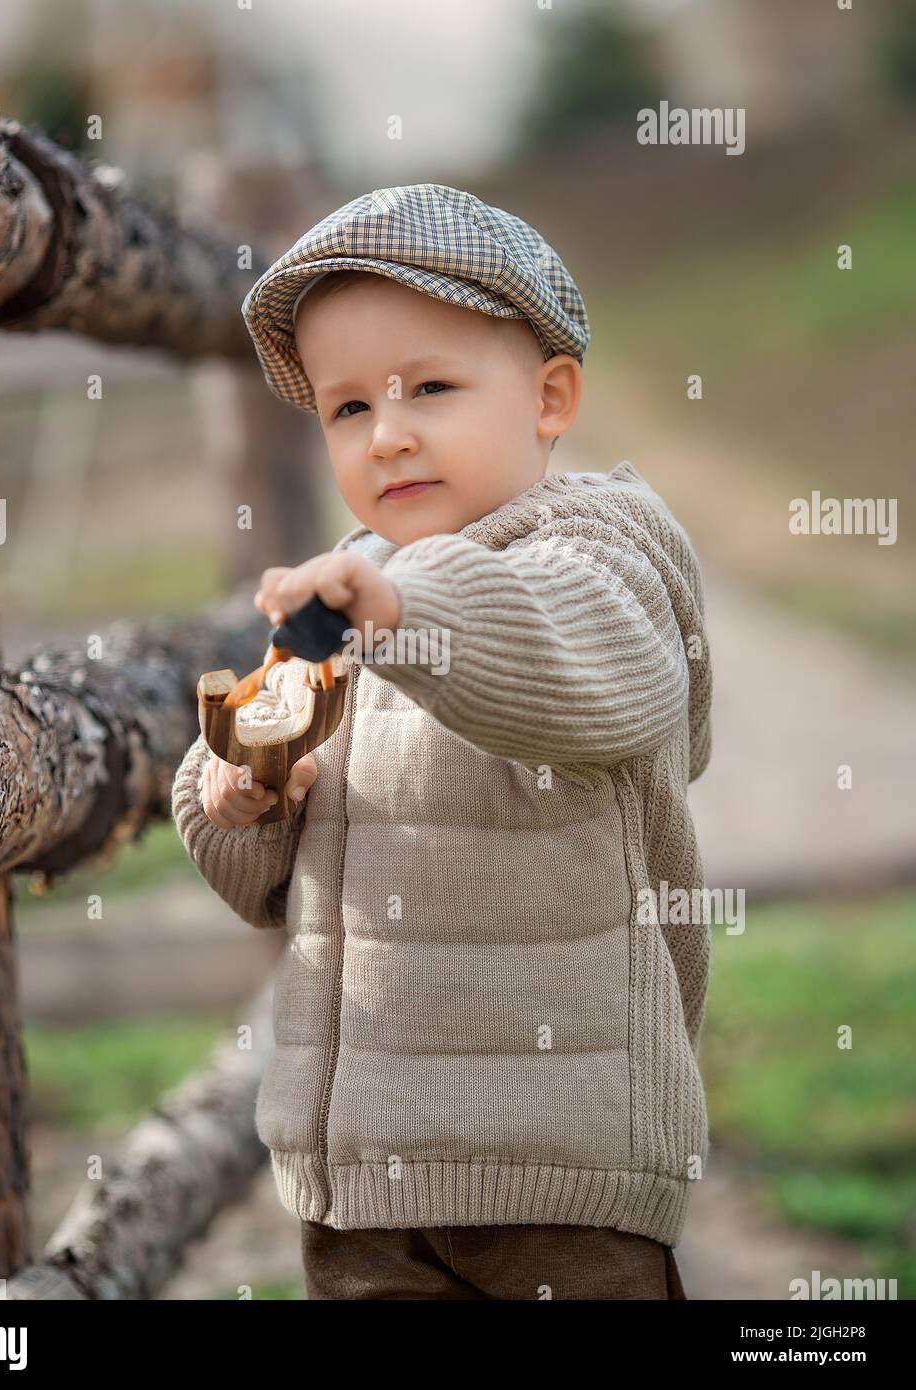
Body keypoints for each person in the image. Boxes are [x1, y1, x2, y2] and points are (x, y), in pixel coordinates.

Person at [171, 184, 713, 1300]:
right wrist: (240, 794)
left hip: (559, 1180)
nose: (391, 431)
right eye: (348, 407)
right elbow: (253, 870)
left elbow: (573, 674)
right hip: (363, 1188)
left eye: (429, 387)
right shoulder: (345, 594)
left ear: (550, 395)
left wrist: (395, 613)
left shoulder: (602, 563)